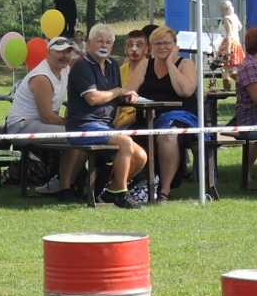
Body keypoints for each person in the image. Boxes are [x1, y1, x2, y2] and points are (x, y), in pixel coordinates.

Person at [61, 36, 147, 208]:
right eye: (100, 41)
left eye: (108, 42)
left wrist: (128, 94)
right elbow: (92, 98)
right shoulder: (81, 65)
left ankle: (110, 192)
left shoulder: (113, 65)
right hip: (83, 125)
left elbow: (116, 93)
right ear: (89, 43)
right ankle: (121, 194)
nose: (104, 45)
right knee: (125, 142)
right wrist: (117, 91)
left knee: (141, 156)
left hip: (106, 125)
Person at [2, 30, 75, 194]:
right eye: (60, 52)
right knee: (74, 136)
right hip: (21, 127)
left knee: (79, 135)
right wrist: (73, 123)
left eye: (68, 51)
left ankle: (67, 181)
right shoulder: (41, 77)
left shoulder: (65, 70)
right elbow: (48, 117)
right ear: (48, 53)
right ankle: (62, 185)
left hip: (39, 123)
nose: (65, 56)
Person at [136, 27, 201, 203]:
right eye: (158, 43)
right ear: (151, 46)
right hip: (148, 117)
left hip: (181, 117)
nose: (163, 47)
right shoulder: (145, 64)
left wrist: (171, 64)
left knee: (168, 136)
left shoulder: (186, 64)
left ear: (175, 46)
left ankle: (164, 190)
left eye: (167, 43)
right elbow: (129, 90)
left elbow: (185, 91)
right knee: (125, 133)